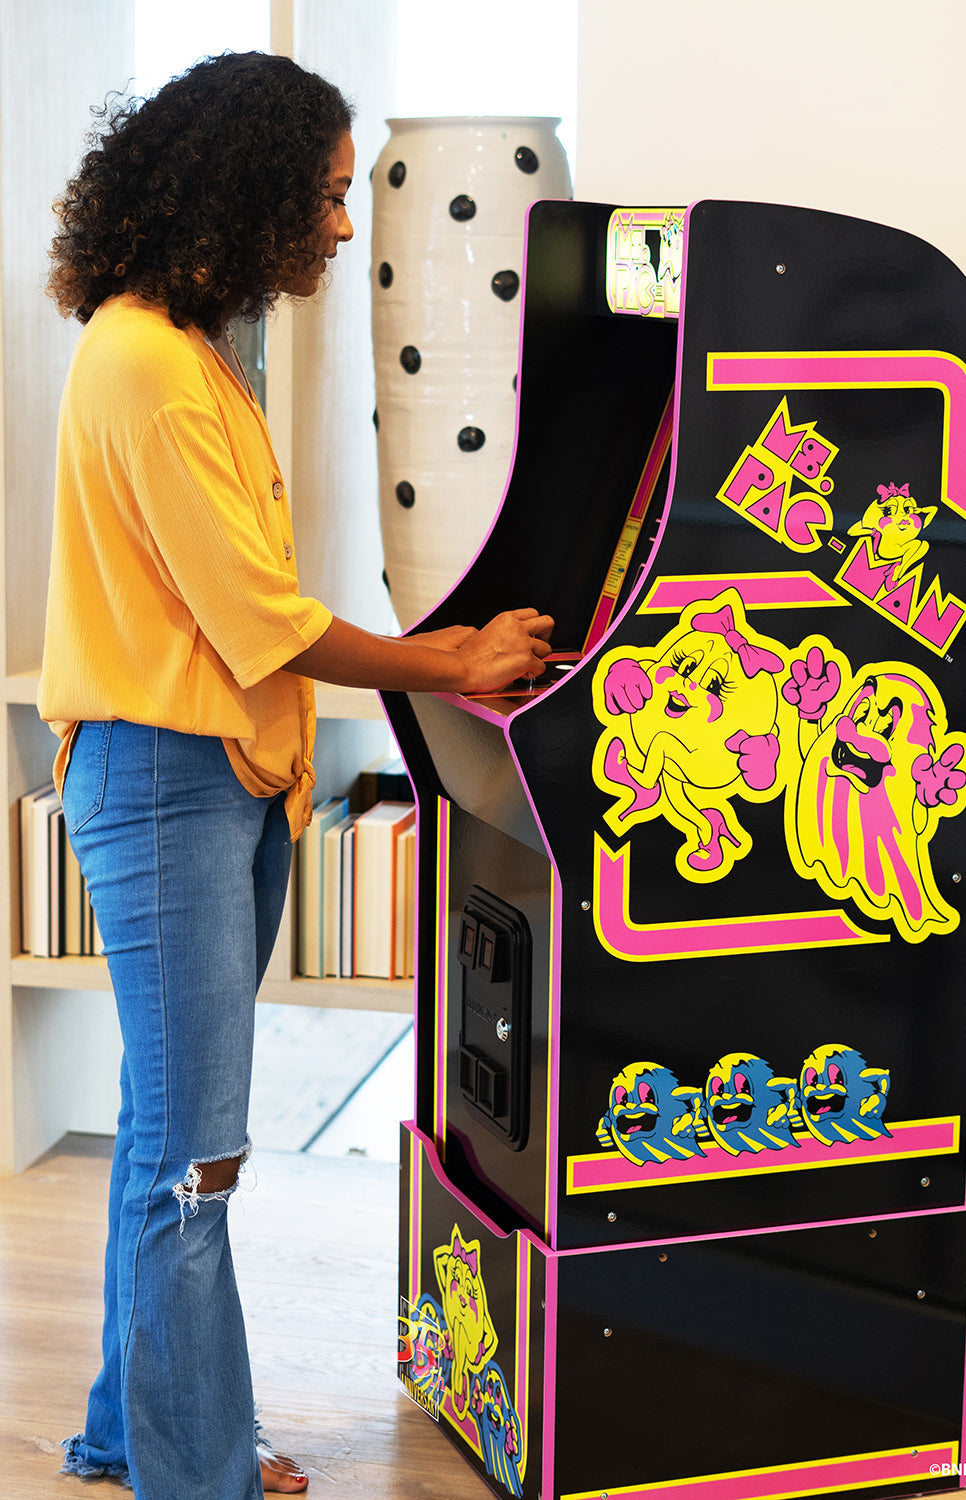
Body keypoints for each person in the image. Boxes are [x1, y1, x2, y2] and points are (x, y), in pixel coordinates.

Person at [37, 51, 552, 1500]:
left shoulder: (180, 347)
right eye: (324, 196)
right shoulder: (149, 365)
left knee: (165, 1140)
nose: (340, 225)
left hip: (209, 782)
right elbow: (260, 620)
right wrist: (447, 658)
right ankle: (193, 1470)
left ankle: (138, 1429)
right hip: (165, 785)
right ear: (247, 190)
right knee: (196, 1159)